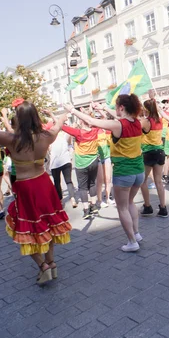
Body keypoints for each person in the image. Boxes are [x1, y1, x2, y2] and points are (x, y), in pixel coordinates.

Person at [0, 101, 72, 285]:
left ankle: (43, 265)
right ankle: (51, 263)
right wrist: (63, 114)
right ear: (36, 117)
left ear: (19, 119)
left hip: (26, 188)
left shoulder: (13, 139)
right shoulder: (47, 136)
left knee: (26, 228)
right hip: (44, 183)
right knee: (49, 225)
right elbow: (58, 125)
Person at [65, 94, 147, 252]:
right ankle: (136, 234)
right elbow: (120, 117)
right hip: (139, 172)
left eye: (116, 106)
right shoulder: (138, 122)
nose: (115, 109)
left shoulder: (118, 125)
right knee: (130, 203)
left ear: (121, 107)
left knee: (122, 208)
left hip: (124, 173)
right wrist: (104, 108)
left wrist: (72, 111)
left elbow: (92, 121)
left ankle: (132, 242)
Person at [61, 113, 100, 219]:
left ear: (81, 121)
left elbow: (61, 126)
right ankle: (94, 206)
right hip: (94, 161)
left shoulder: (78, 133)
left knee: (82, 187)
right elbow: (102, 121)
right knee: (92, 183)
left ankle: (86, 210)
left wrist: (52, 114)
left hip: (81, 164)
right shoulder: (95, 130)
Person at [140, 97, 168, 218]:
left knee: (143, 181)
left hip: (148, 152)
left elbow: (134, 124)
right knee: (158, 181)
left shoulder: (146, 122)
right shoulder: (160, 120)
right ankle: (163, 207)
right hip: (160, 151)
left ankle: (147, 206)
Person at [48, 129, 77, 206]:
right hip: (65, 161)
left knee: (57, 182)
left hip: (54, 163)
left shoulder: (49, 137)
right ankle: (73, 199)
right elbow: (70, 145)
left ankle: (60, 201)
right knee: (68, 181)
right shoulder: (65, 134)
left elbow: (48, 150)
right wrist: (70, 156)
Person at [95, 122, 114, 208]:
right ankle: (99, 200)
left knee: (108, 178)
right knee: (100, 180)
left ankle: (107, 198)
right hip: (98, 158)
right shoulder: (93, 131)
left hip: (107, 156)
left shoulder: (106, 130)